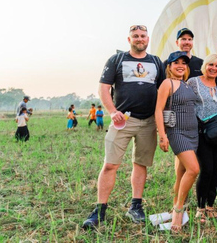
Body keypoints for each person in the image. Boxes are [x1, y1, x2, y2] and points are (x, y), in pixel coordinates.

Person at [82, 24, 165, 230]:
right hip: (123, 121)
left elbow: (163, 91)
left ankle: (135, 206)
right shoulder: (116, 60)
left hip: (148, 121)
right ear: (129, 40)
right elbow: (103, 88)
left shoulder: (156, 62)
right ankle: (100, 210)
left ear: (148, 39)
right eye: (135, 36)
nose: (139, 39)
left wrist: (161, 121)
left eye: (143, 35)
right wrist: (112, 111)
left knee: (141, 163)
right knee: (110, 164)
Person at [155, 51, 199, 232]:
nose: (180, 65)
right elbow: (158, 110)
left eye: (183, 63)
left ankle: (174, 209)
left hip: (193, 133)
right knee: (194, 169)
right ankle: (179, 211)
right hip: (177, 133)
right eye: (176, 63)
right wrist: (162, 135)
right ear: (169, 66)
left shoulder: (186, 84)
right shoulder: (167, 83)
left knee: (181, 174)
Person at [187, 54, 217, 222]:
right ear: (205, 65)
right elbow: (188, 105)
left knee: (216, 172)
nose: (213, 68)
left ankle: (211, 205)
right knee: (207, 170)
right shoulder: (193, 82)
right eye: (211, 64)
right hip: (201, 133)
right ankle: (200, 207)